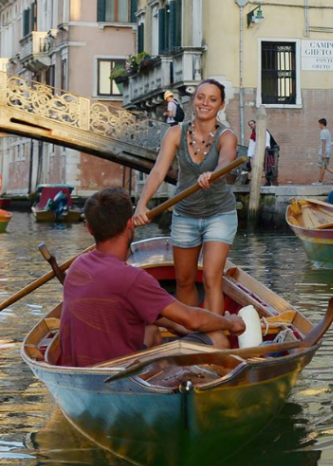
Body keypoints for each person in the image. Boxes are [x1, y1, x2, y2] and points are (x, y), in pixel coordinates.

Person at [60, 187, 245, 368]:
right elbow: (193, 319)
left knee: (151, 331)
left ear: (89, 228)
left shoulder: (77, 266)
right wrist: (230, 322)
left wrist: (178, 325)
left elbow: (173, 320)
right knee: (218, 339)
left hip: (81, 370)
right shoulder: (132, 279)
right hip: (119, 373)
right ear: (130, 224)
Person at [133, 78, 239, 348]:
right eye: (201, 97)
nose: (205, 103)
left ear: (220, 105)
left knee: (212, 277)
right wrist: (142, 205)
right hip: (185, 214)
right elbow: (158, 171)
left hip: (220, 214)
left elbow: (227, 160)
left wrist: (214, 174)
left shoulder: (227, 137)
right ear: (194, 100)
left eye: (212, 99)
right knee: (184, 280)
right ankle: (190, 336)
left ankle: (214, 339)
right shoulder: (176, 133)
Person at [317, 118, 332, 182]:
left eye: (319, 124)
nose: (319, 126)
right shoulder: (328, 131)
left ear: (322, 124)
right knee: (325, 166)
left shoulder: (323, 132)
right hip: (328, 151)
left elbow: (323, 142)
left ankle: (320, 181)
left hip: (324, 152)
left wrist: (323, 153)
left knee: (322, 167)